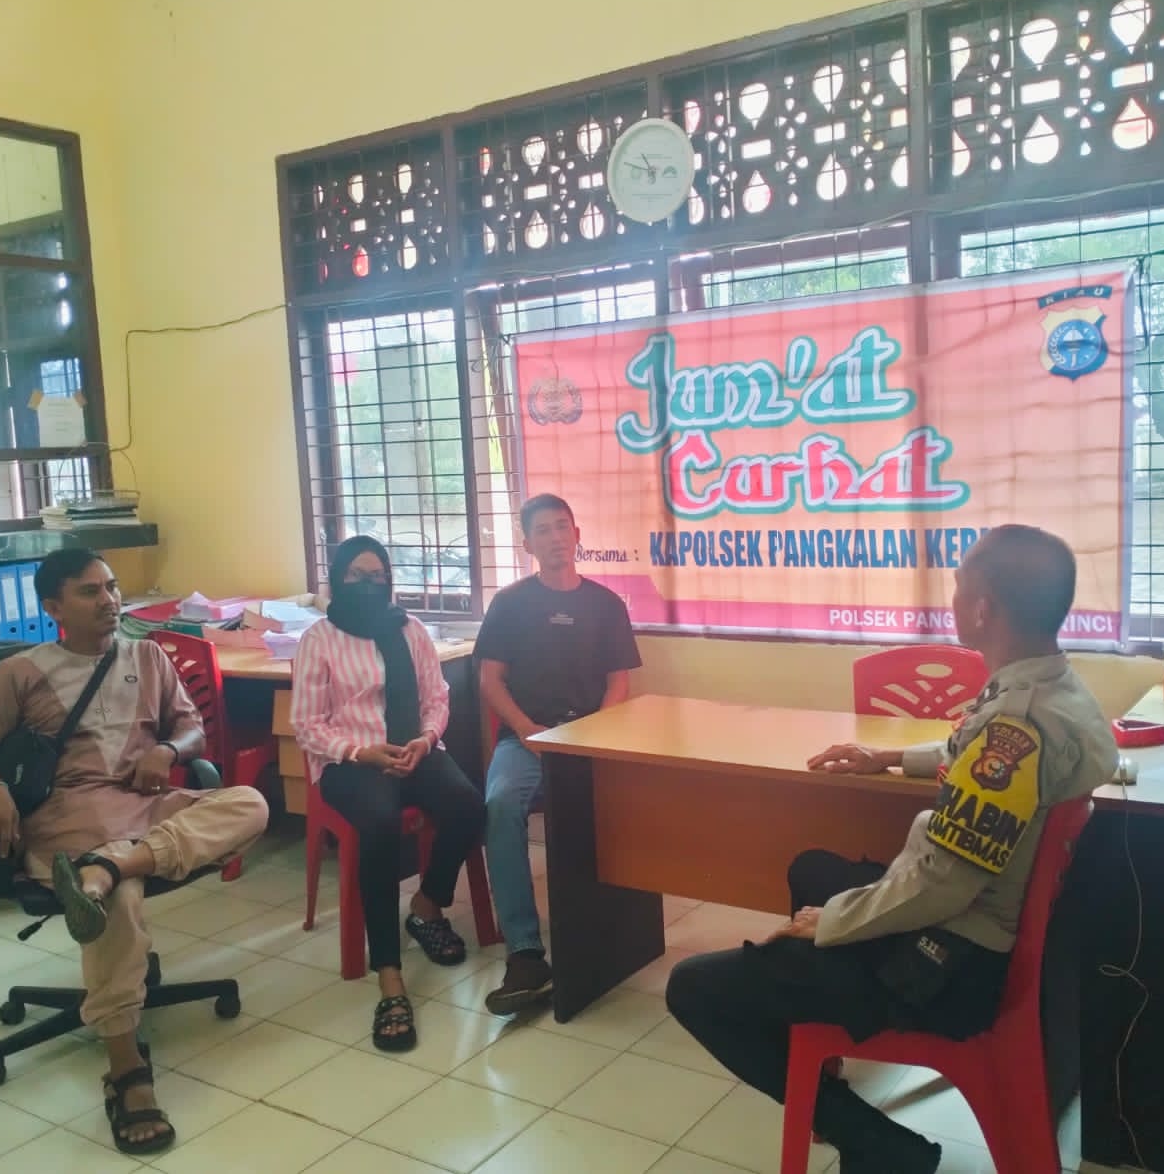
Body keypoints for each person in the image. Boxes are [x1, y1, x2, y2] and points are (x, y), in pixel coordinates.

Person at [666, 525, 1118, 1174]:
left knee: (693, 988)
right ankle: (824, 1054)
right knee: (811, 869)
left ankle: (880, 1145)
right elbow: (976, 756)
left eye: (959, 588)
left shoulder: (1017, 722)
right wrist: (888, 758)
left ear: (984, 608)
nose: (952, 599)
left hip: (949, 964)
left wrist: (836, 921)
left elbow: (946, 883)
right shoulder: (1054, 692)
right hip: (970, 925)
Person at [0, 549, 268, 1158]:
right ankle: (126, 1070)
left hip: (146, 804)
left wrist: (169, 751)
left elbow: (192, 727)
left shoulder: (148, 656)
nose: (109, 600)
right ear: (54, 607)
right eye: (89, 591)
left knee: (250, 803)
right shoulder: (20, 672)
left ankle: (111, 867)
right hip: (70, 817)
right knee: (116, 902)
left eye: (112, 587)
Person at [292, 536, 486, 1052]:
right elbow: (307, 725)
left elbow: (437, 697)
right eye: (357, 576)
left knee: (469, 804)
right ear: (338, 579)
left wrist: (427, 739)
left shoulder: (411, 629)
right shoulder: (319, 639)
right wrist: (361, 752)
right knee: (378, 824)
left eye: (378, 575)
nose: (369, 584)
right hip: (351, 760)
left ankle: (426, 904)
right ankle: (389, 973)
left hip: (413, 748)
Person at [475, 493, 642, 1014]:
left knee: (628, 805)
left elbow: (619, 683)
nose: (555, 538)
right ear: (527, 544)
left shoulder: (606, 604)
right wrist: (526, 729)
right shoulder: (509, 604)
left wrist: (594, 734)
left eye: (562, 527)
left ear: (577, 535)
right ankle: (525, 953)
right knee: (500, 804)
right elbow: (489, 680)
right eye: (543, 530)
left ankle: (609, 934)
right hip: (525, 740)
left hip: (590, 739)